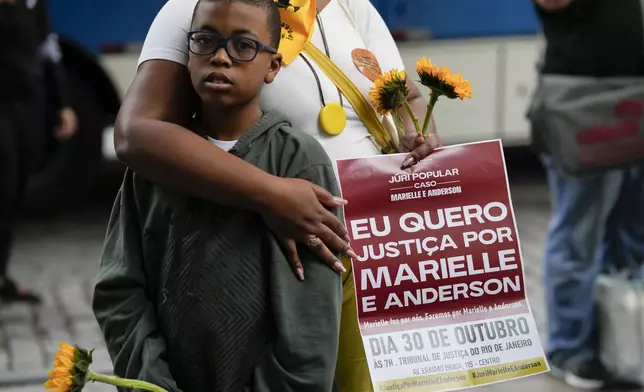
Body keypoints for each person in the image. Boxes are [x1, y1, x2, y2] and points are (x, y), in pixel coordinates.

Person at [113, 0, 440, 390]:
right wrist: (271, 194)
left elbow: (408, 98)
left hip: (377, 246)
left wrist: (421, 137)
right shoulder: (200, 6)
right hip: (278, 250)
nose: (221, 56)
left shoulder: (351, 6)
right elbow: (137, 133)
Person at [93, 1, 342, 391]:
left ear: (273, 66)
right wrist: (151, 382)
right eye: (205, 41)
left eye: (243, 46)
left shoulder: (298, 161)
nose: (221, 57)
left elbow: (310, 327)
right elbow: (119, 291)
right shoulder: (157, 166)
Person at [531, 0, 644, 389]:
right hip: (583, 108)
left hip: (636, 99)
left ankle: (624, 342)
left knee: (634, 236)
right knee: (579, 233)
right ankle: (568, 348)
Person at [0, 0, 77, 304]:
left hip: (29, 104)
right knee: (2, 185)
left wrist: (64, 103)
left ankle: (2, 275)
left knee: (18, 187)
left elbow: (49, 51)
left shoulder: (33, 5)